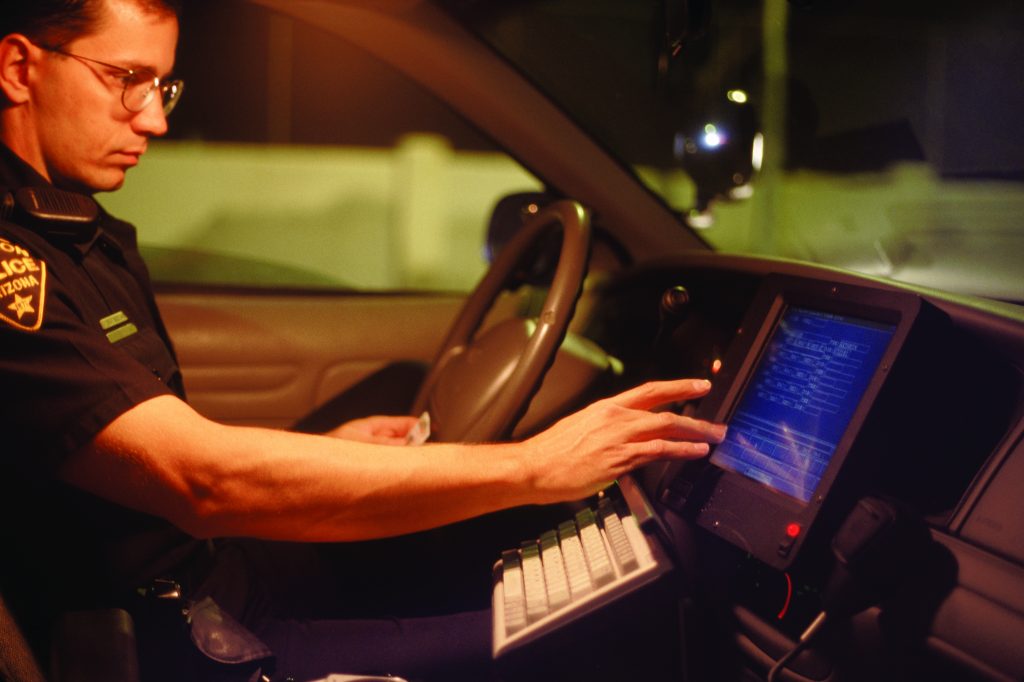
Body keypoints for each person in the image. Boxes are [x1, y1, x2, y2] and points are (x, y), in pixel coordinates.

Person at [0, 1, 727, 680]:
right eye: (126, 79)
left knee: (542, 599)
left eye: (163, 86)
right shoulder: (14, 267)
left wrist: (327, 450)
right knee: (605, 634)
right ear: (19, 68)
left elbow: (139, 447)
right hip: (169, 640)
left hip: (216, 580)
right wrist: (537, 465)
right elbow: (200, 480)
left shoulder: (81, 235)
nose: (155, 118)